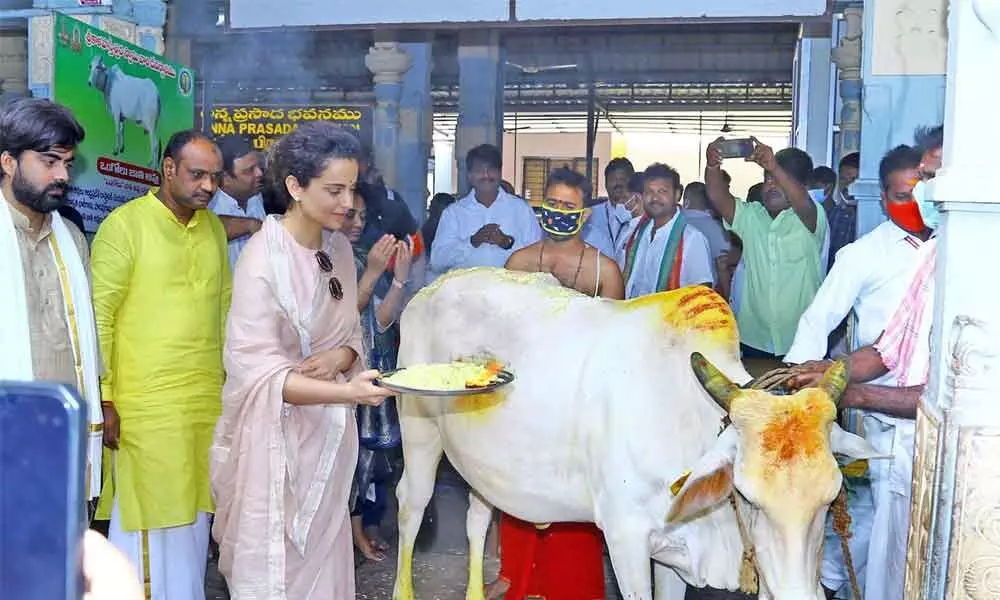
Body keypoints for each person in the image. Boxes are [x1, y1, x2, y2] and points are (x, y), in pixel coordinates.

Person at [210, 122, 389, 598]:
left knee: (325, 565)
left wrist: (343, 355)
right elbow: (257, 374)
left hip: (330, 442)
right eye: (334, 190)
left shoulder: (341, 250)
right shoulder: (262, 259)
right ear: (294, 186)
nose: (348, 204)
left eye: (351, 189)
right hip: (274, 447)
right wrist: (348, 391)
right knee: (276, 572)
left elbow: (352, 332)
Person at [784, 145, 932, 599]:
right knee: (877, 513)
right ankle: (831, 582)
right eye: (902, 196)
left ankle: (832, 580)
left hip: (932, 407)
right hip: (877, 407)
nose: (914, 205)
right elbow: (817, 321)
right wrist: (804, 400)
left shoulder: (952, 247)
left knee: (896, 523)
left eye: (921, 193)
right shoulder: (863, 254)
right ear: (885, 199)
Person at [91, 130, 231, 600]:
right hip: (144, 410)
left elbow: (226, 312)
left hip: (204, 406)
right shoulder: (124, 225)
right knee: (151, 526)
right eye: (197, 175)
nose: (208, 186)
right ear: (167, 169)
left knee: (194, 522)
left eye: (214, 177)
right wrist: (104, 396)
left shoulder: (211, 228)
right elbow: (99, 317)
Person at [487, 168, 621, 600]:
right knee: (521, 489)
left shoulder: (606, 270)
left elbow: (614, 347)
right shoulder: (519, 263)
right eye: (552, 204)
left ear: (585, 212)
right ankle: (518, 577)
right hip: (525, 403)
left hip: (579, 407)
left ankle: (573, 586)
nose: (558, 214)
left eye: (568, 206)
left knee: (573, 501)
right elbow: (501, 336)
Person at [0, 97, 102, 504]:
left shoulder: (72, 239)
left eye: (67, 163)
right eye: (49, 162)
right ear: (8, 162)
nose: (62, 175)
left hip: (64, 446)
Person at [704, 137, 828, 362]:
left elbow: (803, 201)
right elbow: (717, 196)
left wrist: (774, 166)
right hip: (754, 339)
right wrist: (712, 166)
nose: (771, 185)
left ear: (800, 186)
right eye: (767, 179)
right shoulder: (751, 216)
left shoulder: (810, 217)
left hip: (801, 339)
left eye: (779, 180)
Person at [342, 182, 412, 562]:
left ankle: (361, 531)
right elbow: (343, 316)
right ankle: (350, 537)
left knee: (367, 464)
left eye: (363, 217)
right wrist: (371, 273)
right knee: (346, 463)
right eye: (350, 214)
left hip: (369, 369)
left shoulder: (363, 255)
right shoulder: (322, 256)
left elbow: (380, 321)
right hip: (335, 378)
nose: (356, 223)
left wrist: (399, 278)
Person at [430, 144, 541, 275]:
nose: (486, 175)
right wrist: (472, 242)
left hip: (510, 290)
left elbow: (538, 258)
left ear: (500, 173)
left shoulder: (521, 210)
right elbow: (437, 262)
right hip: (465, 291)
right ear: (469, 176)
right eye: (479, 170)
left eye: (491, 169)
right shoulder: (454, 213)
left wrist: (507, 243)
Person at [622, 163, 714, 298]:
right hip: (633, 315)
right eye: (649, 192)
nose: (654, 198)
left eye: (662, 191)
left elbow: (702, 295)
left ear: (677, 194)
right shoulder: (638, 232)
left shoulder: (692, 238)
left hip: (670, 317)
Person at [208, 137, 265, 270]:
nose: (259, 173)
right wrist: (249, 225)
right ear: (226, 179)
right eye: (249, 171)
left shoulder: (255, 197)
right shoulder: (209, 205)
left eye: (258, 166)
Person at [582, 157, 642, 260]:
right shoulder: (590, 214)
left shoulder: (642, 214)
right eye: (612, 179)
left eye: (623, 179)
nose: (618, 184)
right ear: (605, 183)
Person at [826, 152, 861, 270]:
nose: (847, 185)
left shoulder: (874, 217)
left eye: (854, 179)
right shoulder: (831, 215)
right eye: (843, 179)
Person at [422, 192, 456, 258]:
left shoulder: (450, 225)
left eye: (433, 205)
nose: (430, 207)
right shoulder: (430, 223)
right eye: (431, 204)